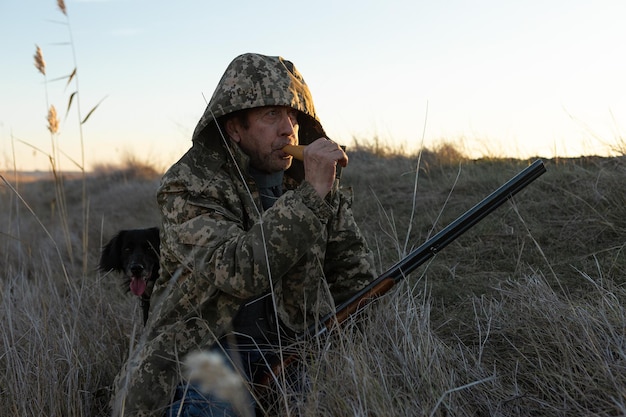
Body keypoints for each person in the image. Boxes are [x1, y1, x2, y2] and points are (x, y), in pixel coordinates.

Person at [110, 52, 377, 417]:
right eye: (271, 115)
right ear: (235, 127)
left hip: (293, 346)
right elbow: (239, 268)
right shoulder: (188, 186)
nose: (288, 129)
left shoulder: (309, 181)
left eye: (293, 116)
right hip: (210, 349)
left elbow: (351, 271)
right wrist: (312, 197)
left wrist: (350, 353)